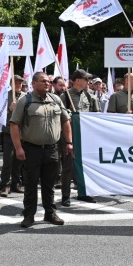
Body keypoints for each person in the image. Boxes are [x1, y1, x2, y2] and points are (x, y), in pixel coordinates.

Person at [10, 72, 73, 228]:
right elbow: (14, 125)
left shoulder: (56, 99)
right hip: (31, 149)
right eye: (43, 81)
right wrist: (18, 148)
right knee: (30, 184)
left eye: (49, 81)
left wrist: (69, 142)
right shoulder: (25, 101)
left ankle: (50, 213)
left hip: (52, 149)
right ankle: (29, 215)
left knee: (49, 184)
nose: (47, 84)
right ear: (34, 84)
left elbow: (66, 121)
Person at [60, 69, 99, 206]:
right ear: (77, 80)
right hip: (70, 135)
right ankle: (65, 195)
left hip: (85, 135)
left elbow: (95, 116)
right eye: (86, 79)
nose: (88, 82)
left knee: (84, 165)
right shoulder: (64, 96)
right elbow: (59, 116)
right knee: (68, 166)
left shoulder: (89, 96)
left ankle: (83, 193)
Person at [0, 75, 25, 197]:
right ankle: (5, 185)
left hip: (21, 133)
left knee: (19, 160)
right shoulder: (5, 96)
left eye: (20, 83)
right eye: (16, 83)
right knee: (7, 160)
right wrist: (9, 109)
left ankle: (16, 183)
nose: (19, 85)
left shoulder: (26, 96)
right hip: (9, 132)